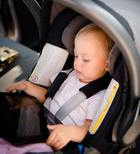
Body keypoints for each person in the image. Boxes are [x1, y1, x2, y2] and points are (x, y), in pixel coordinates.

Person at [4, 23, 114, 153]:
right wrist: (29, 86)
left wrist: (71, 132)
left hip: (63, 143)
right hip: (41, 125)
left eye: (86, 60)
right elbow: (49, 98)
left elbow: (89, 130)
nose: (77, 62)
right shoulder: (67, 75)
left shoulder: (99, 97)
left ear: (107, 64)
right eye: (77, 56)